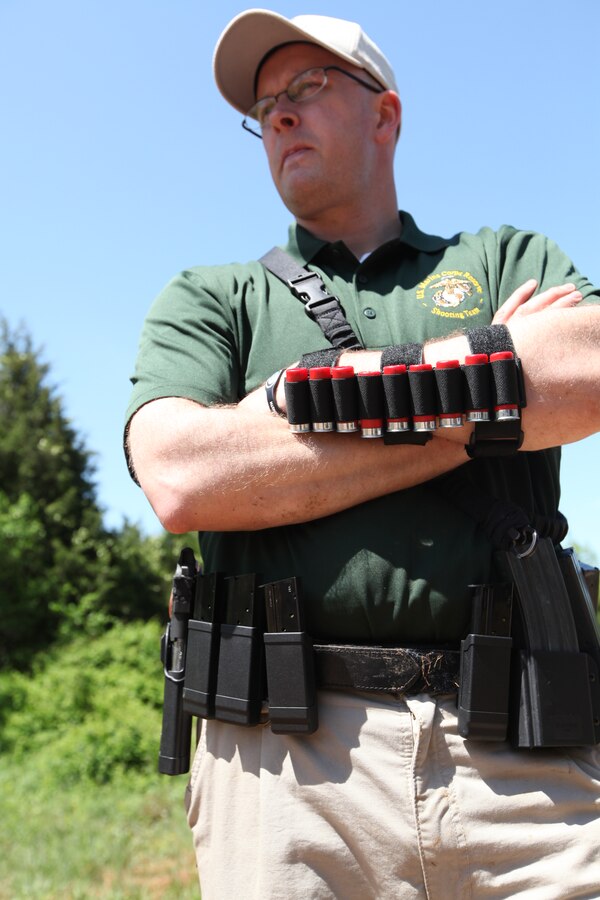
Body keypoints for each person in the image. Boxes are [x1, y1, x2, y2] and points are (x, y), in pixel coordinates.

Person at [125, 10, 600, 899]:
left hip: (527, 760)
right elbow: (184, 476)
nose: (278, 116)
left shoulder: (501, 256)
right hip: (287, 772)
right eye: (264, 106)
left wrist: (295, 412)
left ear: (385, 115)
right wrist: (493, 377)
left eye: (304, 88)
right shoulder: (214, 298)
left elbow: (587, 375)